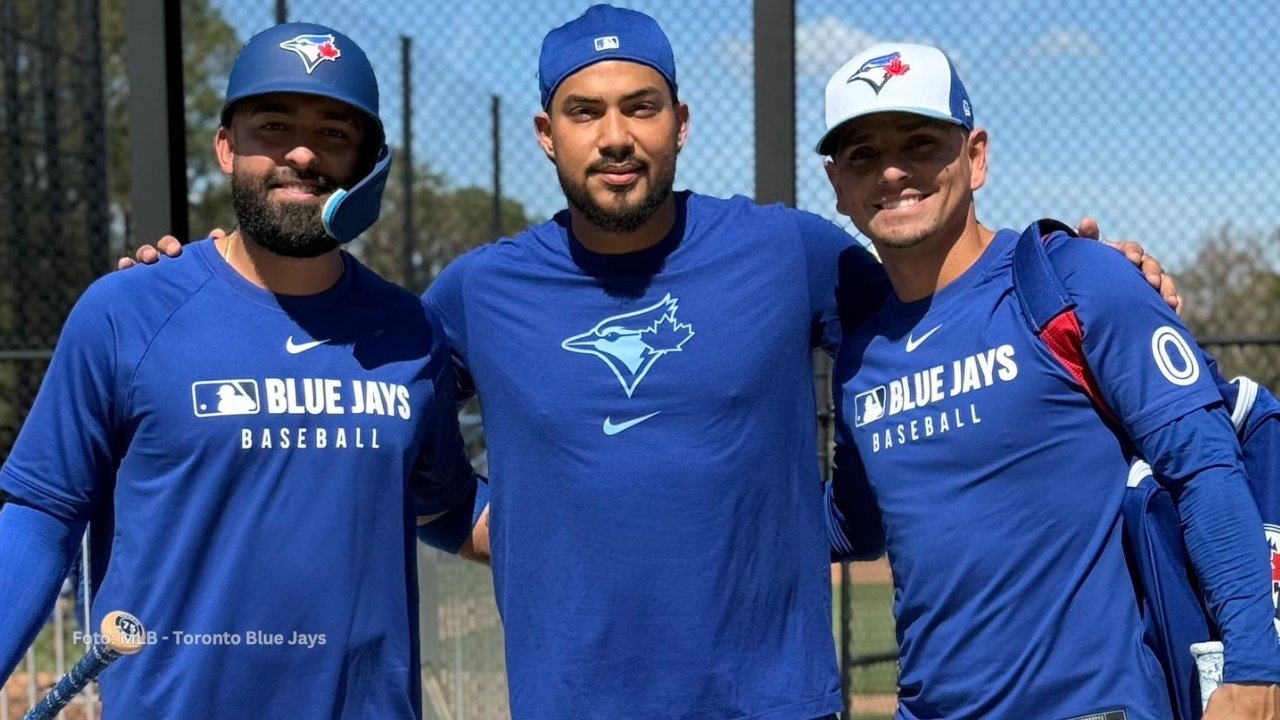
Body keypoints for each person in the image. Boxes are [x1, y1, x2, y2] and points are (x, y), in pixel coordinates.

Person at [128, 7, 1179, 718]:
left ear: (680, 123)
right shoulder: (475, 292)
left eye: (640, 108)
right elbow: (361, 395)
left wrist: (1101, 271)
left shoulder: (792, 253)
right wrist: (208, 280)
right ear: (547, 133)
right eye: (586, 112)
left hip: (776, 703)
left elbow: (938, 308)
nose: (615, 135)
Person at [0, 23, 481, 719]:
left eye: (335, 133)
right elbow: (43, 514)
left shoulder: (410, 333)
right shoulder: (126, 312)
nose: (303, 152)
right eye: (273, 125)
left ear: (371, 162)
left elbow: (448, 504)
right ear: (227, 146)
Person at [819, 42, 1280, 719]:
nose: (892, 171)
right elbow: (850, 527)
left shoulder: (1072, 281)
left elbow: (1204, 465)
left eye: (921, 143)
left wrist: (1254, 668)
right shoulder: (862, 356)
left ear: (975, 157)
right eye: (862, 155)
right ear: (837, 184)